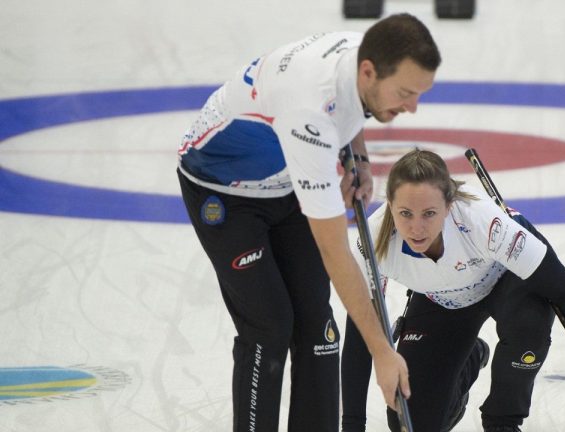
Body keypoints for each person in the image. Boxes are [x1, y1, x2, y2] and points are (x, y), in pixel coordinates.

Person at [175, 14, 441, 432]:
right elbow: (335, 253)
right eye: (406, 93)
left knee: (318, 327)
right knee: (270, 324)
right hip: (223, 188)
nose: (412, 107)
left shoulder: (363, 55)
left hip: (286, 178)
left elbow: (354, 110)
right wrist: (383, 353)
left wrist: (362, 162)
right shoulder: (309, 114)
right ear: (369, 71)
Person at [340, 149, 565, 432]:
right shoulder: (372, 242)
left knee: (530, 324)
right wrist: (353, 426)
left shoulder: (483, 223)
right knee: (410, 423)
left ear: (449, 205)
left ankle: (502, 419)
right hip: (442, 297)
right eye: (405, 213)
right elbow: (361, 330)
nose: (416, 228)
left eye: (429, 213)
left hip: (506, 281)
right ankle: (468, 359)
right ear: (389, 205)